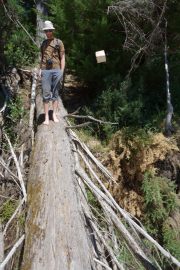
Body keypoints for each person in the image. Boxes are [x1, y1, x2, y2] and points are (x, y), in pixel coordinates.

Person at [39, 20, 65, 125]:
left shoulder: (59, 42)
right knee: (45, 94)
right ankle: (46, 117)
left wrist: (62, 70)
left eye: (49, 30)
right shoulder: (43, 43)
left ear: (52, 31)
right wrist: (40, 69)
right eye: (46, 31)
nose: (48, 32)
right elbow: (42, 58)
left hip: (56, 70)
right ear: (45, 32)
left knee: (55, 93)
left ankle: (53, 114)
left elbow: (62, 57)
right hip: (46, 71)